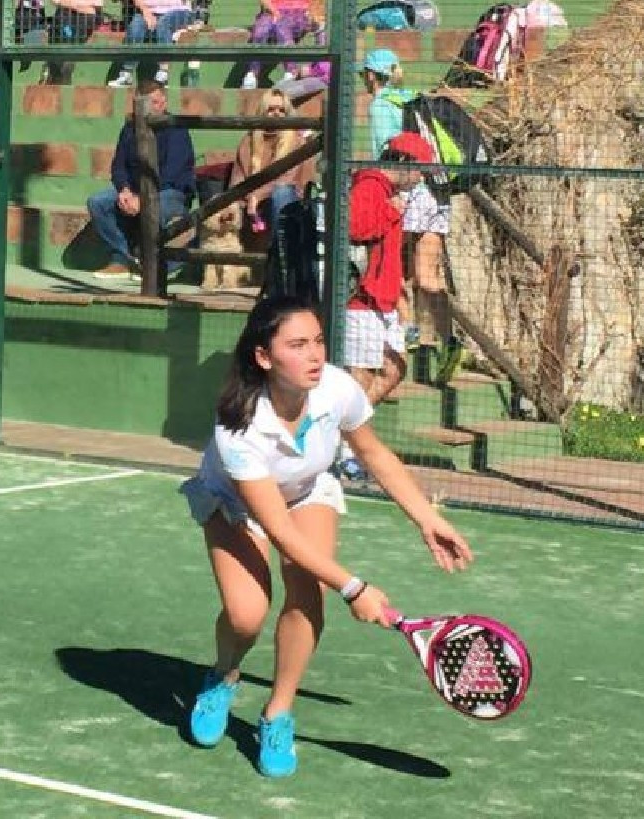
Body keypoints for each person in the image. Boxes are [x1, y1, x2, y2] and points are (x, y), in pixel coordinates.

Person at [180, 294, 473, 777]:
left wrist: (427, 518)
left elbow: (373, 454)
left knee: (307, 594)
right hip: (235, 502)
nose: (315, 355)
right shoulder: (240, 427)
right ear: (264, 356)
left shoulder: (336, 387)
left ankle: (278, 713)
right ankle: (223, 675)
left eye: (317, 341)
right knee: (246, 615)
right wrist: (354, 588)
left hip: (306, 490)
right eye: (297, 345)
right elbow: (279, 531)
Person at [337, 132, 434, 481]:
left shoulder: (388, 192)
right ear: (404, 163)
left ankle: (343, 435)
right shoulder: (370, 186)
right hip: (362, 299)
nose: (421, 178)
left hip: (384, 299)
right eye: (420, 170)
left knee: (394, 369)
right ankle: (345, 452)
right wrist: (392, 214)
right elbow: (356, 228)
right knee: (360, 375)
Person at [360, 49, 461, 379]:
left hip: (411, 190)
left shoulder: (380, 105)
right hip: (437, 190)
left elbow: (384, 154)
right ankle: (449, 341)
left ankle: (408, 332)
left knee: (395, 265)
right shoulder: (412, 99)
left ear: (371, 76)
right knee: (428, 276)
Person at [87, 80, 195, 279]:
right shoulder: (130, 128)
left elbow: (171, 174)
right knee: (98, 202)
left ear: (163, 102)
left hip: (170, 193)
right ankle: (123, 259)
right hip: (135, 191)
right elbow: (118, 166)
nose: (150, 108)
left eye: (155, 102)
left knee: (157, 207)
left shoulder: (176, 129)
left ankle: (155, 264)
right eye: (143, 103)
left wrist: (143, 198)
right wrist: (124, 190)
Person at [228, 88, 317, 248]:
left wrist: (257, 196)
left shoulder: (296, 141)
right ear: (262, 112)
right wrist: (249, 199)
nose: (276, 114)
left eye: (282, 110)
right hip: (253, 203)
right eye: (271, 109)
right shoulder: (248, 141)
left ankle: (281, 252)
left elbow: (286, 180)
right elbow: (236, 181)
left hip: (290, 201)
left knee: (281, 193)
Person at [107, 0, 203, 87]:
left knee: (163, 24)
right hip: (149, 11)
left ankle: (164, 72)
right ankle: (127, 74)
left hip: (178, 11)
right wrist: (145, 11)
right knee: (135, 27)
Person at [241, 0, 321, 90]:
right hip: (271, 11)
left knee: (282, 27)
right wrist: (274, 12)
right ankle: (252, 74)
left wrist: (312, 13)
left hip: (299, 12)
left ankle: (291, 72)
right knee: (260, 32)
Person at [41, 0, 105, 85]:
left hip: (85, 17)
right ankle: (56, 75)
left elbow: (98, 5)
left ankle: (62, 78)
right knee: (64, 44)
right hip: (66, 15)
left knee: (73, 48)